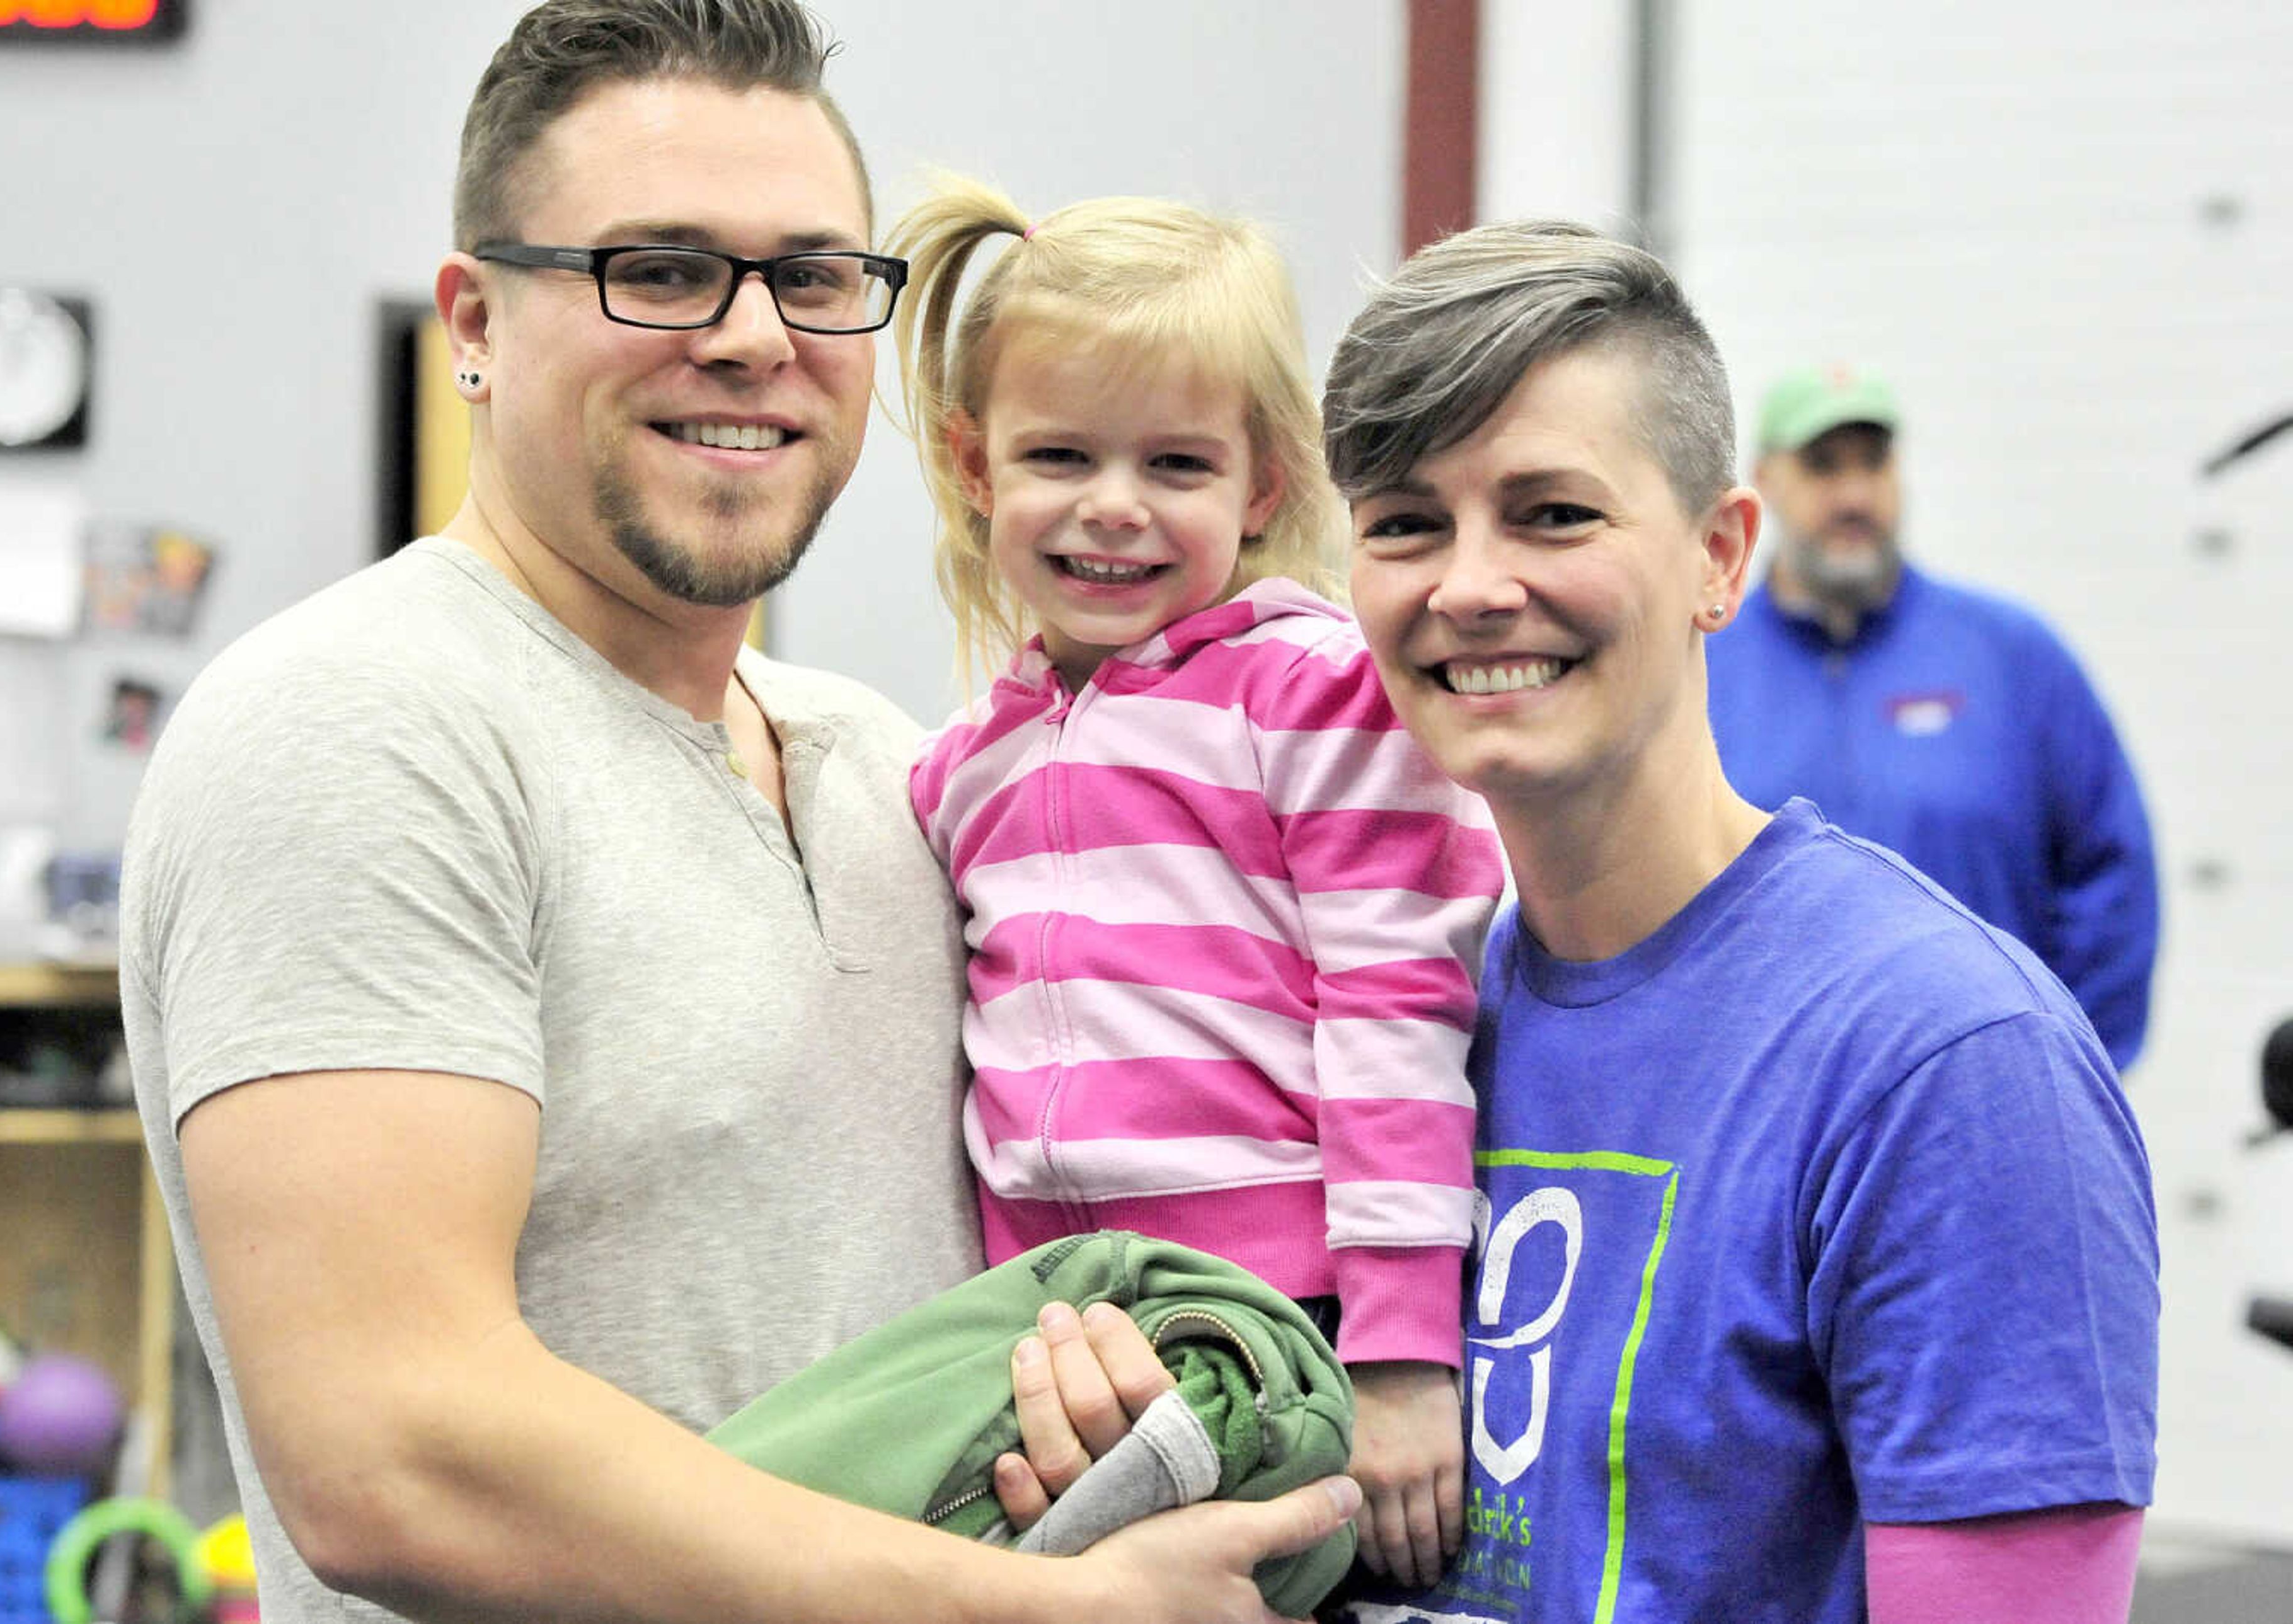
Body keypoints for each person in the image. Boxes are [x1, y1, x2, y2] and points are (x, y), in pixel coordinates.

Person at [115, 4, 1357, 1621]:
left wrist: (1097, 1408)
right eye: (661, 268)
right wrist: (1033, 1614)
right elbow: (389, 1451)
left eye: (812, 277)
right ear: (473, 321)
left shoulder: (893, 769)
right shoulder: (359, 726)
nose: (753, 336)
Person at [1321, 222, 2159, 1623]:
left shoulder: (1950, 1066)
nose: (1468, 584)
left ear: (1720, 557)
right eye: (1407, 522)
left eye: (1553, 512)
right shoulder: (1393, 1024)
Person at [891, 176, 1505, 1591]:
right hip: (1045, 1325)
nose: (1114, 509)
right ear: (975, 464)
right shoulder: (960, 769)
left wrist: (1405, 1350)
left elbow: (1398, 1003)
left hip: (1282, 1305)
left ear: (1262, 488)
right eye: (1061, 456)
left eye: (1176, 466)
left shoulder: (1311, 693)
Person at [1706, 364, 2161, 1068]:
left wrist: (2068, 1066)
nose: (1854, 494)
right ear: (1764, 479)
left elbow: (2113, 871)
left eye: (1874, 463)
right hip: (1762, 1104)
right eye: (1823, 466)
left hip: (1986, 1101)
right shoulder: (1700, 666)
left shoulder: (2011, 656)